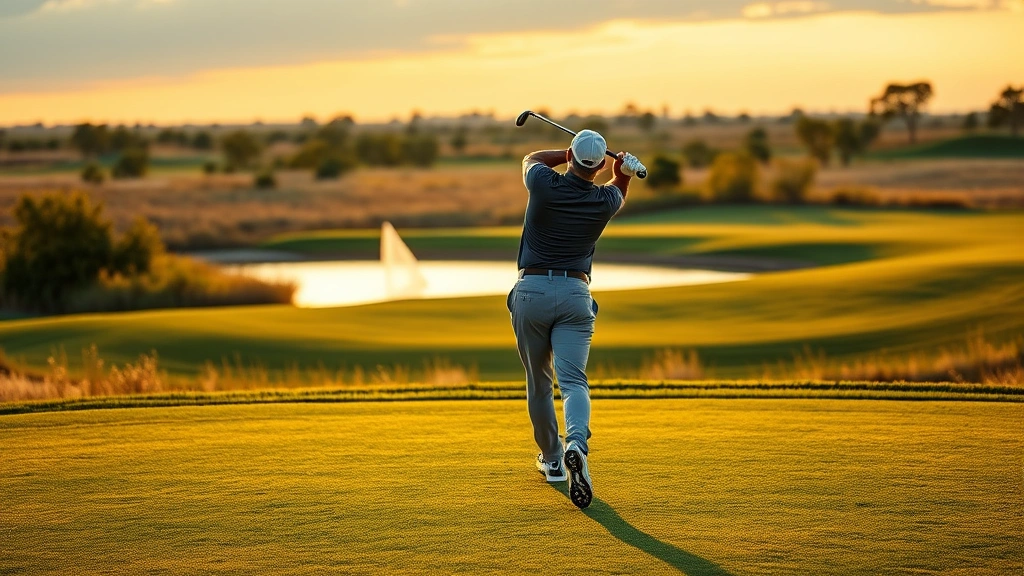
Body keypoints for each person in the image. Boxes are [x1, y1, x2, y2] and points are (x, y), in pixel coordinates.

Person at [506, 129, 641, 509]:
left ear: (572, 157)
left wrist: (565, 154)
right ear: (598, 166)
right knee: (573, 381)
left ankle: (552, 462)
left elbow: (531, 157)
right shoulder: (605, 200)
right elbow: (619, 188)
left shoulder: (543, 183)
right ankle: (576, 443)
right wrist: (623, 171)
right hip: (575, 296)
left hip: (531, 291)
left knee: (539, 381)